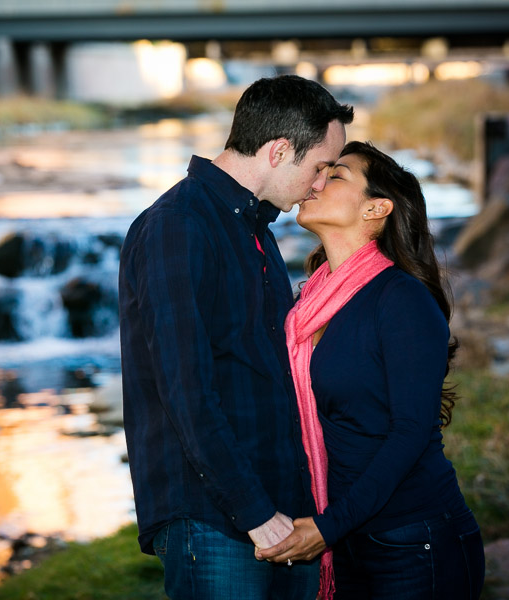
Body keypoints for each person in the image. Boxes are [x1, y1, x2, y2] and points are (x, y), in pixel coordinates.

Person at [118, 75, 354, 599]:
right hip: (216, 518)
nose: (320, 185)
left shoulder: (255, 230)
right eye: (319, 168)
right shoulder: (178, 225)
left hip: (281, 510)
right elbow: (184, 388)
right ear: (278, 150)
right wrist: (253, 511)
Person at [257, 141, 485, 600]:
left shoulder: (402, 299)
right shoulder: (312, 305)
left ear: (376, 208)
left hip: (413, 538)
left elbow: (411, 432)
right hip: (350, 537)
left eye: (336, 175)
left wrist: (327, 528)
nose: (316, 182)